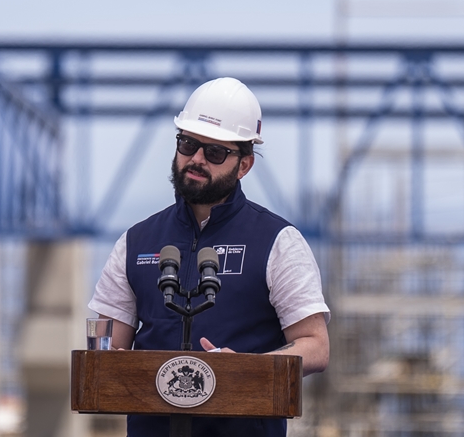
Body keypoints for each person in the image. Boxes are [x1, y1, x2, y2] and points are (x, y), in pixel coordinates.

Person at [88, 77, 330, 437]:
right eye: (188, 144)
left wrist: (247, 371)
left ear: (244, 165)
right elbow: (106, 349)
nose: (196, 159)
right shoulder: (135, 242)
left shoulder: (279, 242)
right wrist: (104, 358)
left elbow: (315, 346)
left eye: (214, 152)